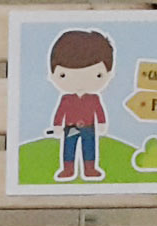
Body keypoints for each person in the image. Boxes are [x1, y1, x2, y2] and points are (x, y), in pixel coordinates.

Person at [45, 28, 115, 181]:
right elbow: (60, 112)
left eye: (97, 75)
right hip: (70, 127)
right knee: (69, 149)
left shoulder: (94, 98)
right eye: (64, 75)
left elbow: (99, 111)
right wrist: (57, 125)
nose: (80, 82)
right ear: (53, 75)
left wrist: (102, 123)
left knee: (89, 149)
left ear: (108, 74)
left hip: (89, 127)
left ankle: (90, 169)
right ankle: (68, 169)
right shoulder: (66, 99)